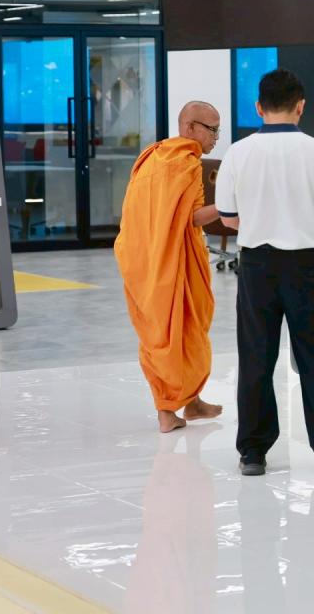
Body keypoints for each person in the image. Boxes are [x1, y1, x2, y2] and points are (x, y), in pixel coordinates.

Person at [214, 68, 314, 477]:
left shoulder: (237, 154)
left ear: (259, 107)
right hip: (305, 265)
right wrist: (301, 223)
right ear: (301, 106)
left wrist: (263, 223)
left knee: (256, 356)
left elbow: (228, 218)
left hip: (257, 266)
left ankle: (253, 452)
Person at [114, 101, 224, 433]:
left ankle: (192, 402)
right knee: (175, 330)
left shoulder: (153, 156)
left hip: (144, 257)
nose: (216, 137)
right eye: (212, 129)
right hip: (168, 261)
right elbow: (192, 218)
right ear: (190, 127)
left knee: (172, 330)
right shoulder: (185, 164)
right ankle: (166, 411)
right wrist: (228, 205)